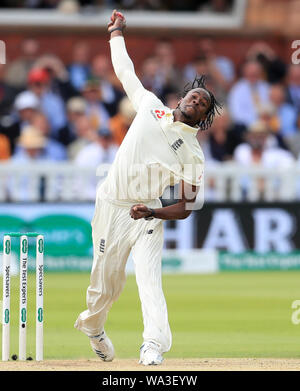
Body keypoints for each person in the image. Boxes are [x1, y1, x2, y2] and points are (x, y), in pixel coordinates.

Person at [74, 9, 221, 366]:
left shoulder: (193, 153)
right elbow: (125, 72)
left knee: (150, 280)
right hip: (112, 205)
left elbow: (186, 207)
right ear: (182, 98)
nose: (197, 100)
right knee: (104, 287)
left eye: (203, 103)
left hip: (147, 214)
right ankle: (94, 327)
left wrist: (152, 211)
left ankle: (153, 344)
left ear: (203, 119)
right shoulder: (151, 107)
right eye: (194, 95)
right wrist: (116, 33)